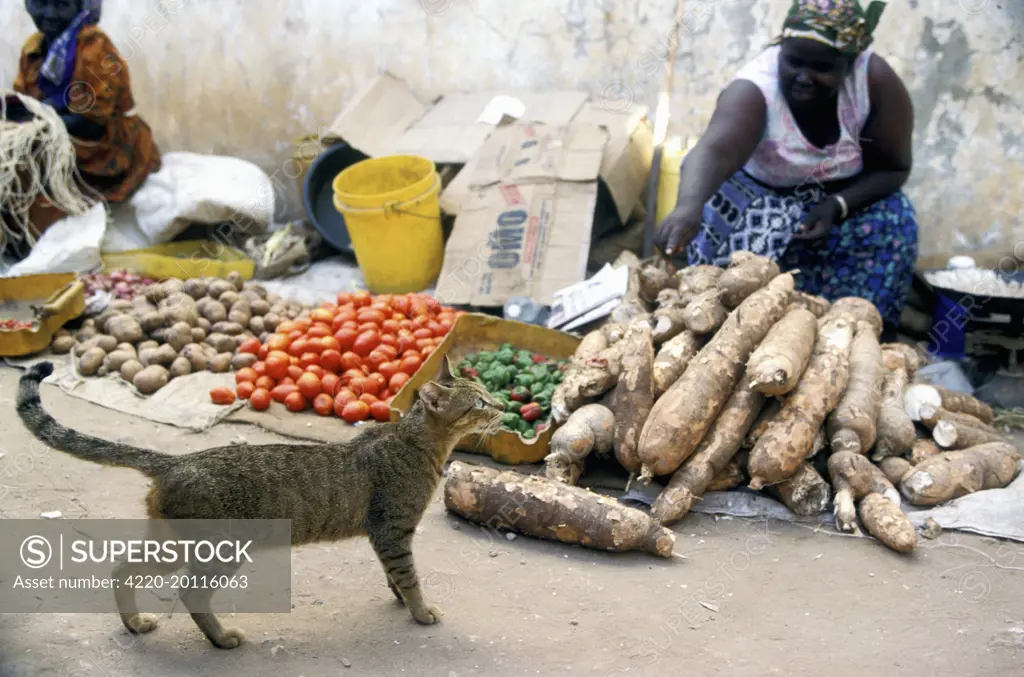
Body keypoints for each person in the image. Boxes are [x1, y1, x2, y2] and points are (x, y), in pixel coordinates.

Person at [655, 0, 916, 336]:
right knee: (721, 264)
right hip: (759, 199)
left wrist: (836, 206)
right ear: (780, 50)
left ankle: (859, 336)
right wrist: (687, 208)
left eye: (822, 67)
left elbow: (894, 168)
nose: (803, 78)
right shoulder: (755, 88)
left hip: (844, 201)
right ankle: (721, 330)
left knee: (896, 220)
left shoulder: (874, 81)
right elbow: (714, 150)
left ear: (848, 65)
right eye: (793, 61)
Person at [13, 0, 161, 203]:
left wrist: (36, 129)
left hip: (104, 149)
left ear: (81, 7)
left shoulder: (95, 47)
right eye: (40, 3)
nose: (49, 14)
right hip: (57, 137)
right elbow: (24, 103)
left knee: (30, 178)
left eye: (61, 5)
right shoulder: (34, 47)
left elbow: (91, 123)